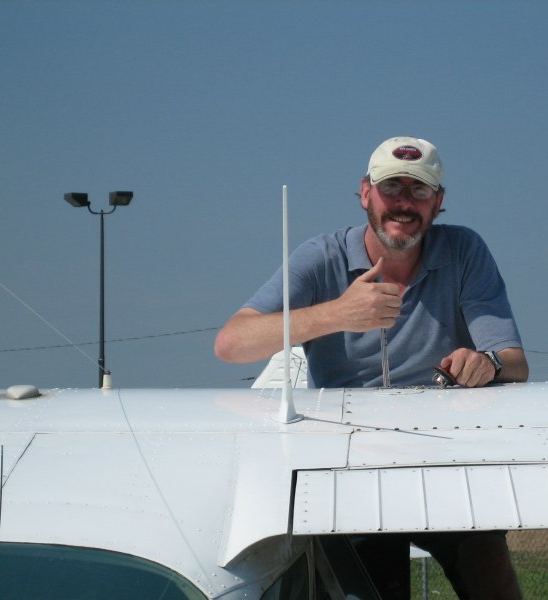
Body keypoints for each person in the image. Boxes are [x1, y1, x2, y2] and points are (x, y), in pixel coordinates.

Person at [215, 136, 528, 599]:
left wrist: (487, 363)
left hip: (443, 458)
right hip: (349, 468)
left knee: (491, 574)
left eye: (419, 190)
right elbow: (231, 343)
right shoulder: (321, 257)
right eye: (391, 188)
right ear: (365, 194)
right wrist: (338, 313)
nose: (404, 202)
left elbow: (514, 362)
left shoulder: (464, 251)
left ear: (438, 202)